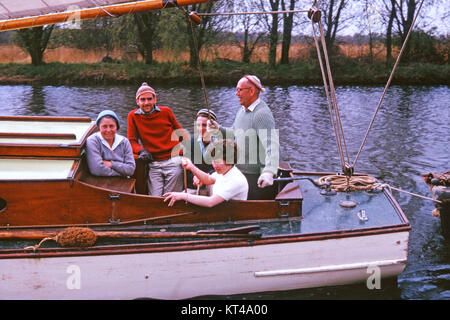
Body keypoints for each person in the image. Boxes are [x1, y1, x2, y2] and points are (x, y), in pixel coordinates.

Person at [207, 75, 279, 200]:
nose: (236, 93)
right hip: (240, 172)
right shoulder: (242, 110)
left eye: (239, 90)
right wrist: (218, 129)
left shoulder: (261, 114)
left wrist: (268, 172)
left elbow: (272, 146)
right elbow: (234, 133)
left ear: (251, 91)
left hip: (254, 178)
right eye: (236, 89)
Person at [127, 82, 189, 196]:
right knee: (155, 197)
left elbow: (182, 134)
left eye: (149, 99)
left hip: (173, 160)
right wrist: (141, 151)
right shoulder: (132, 116)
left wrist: (185, 154)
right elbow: (131, 141)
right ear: (137, 101)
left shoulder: (166, 111)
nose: (146, 103)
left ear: (155, 99)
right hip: (153, 162)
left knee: (171, 197)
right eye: (143, 99)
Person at [163, 139, 248, 208]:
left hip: (230, 218)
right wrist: (191, 167)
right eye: (213, 161)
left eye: (217, 162)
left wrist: (183, 196)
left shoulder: (235, 179)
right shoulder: (225, 171)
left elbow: (210, 202)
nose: (214, 165)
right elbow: (208, 179)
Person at [86, 110, 135, 177]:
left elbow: (131, 169)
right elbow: (97, 170)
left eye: (111, 126)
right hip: (99, 183)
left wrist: (111, 164)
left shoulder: (124, 142)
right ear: (99, 127)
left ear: (117, 127)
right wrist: (121, 173)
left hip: (124, 183)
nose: (108, 130)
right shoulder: (92, 141)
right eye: (104, 126)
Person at [183, 108, 218, 193]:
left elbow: (220, 168)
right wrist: (194, 177)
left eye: (204, 125)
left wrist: (205, 177)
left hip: (213, 183)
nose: (201, 128)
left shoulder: (220, 143)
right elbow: (187, 167)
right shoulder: (190, 143)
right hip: (194, 184)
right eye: (198, 125)